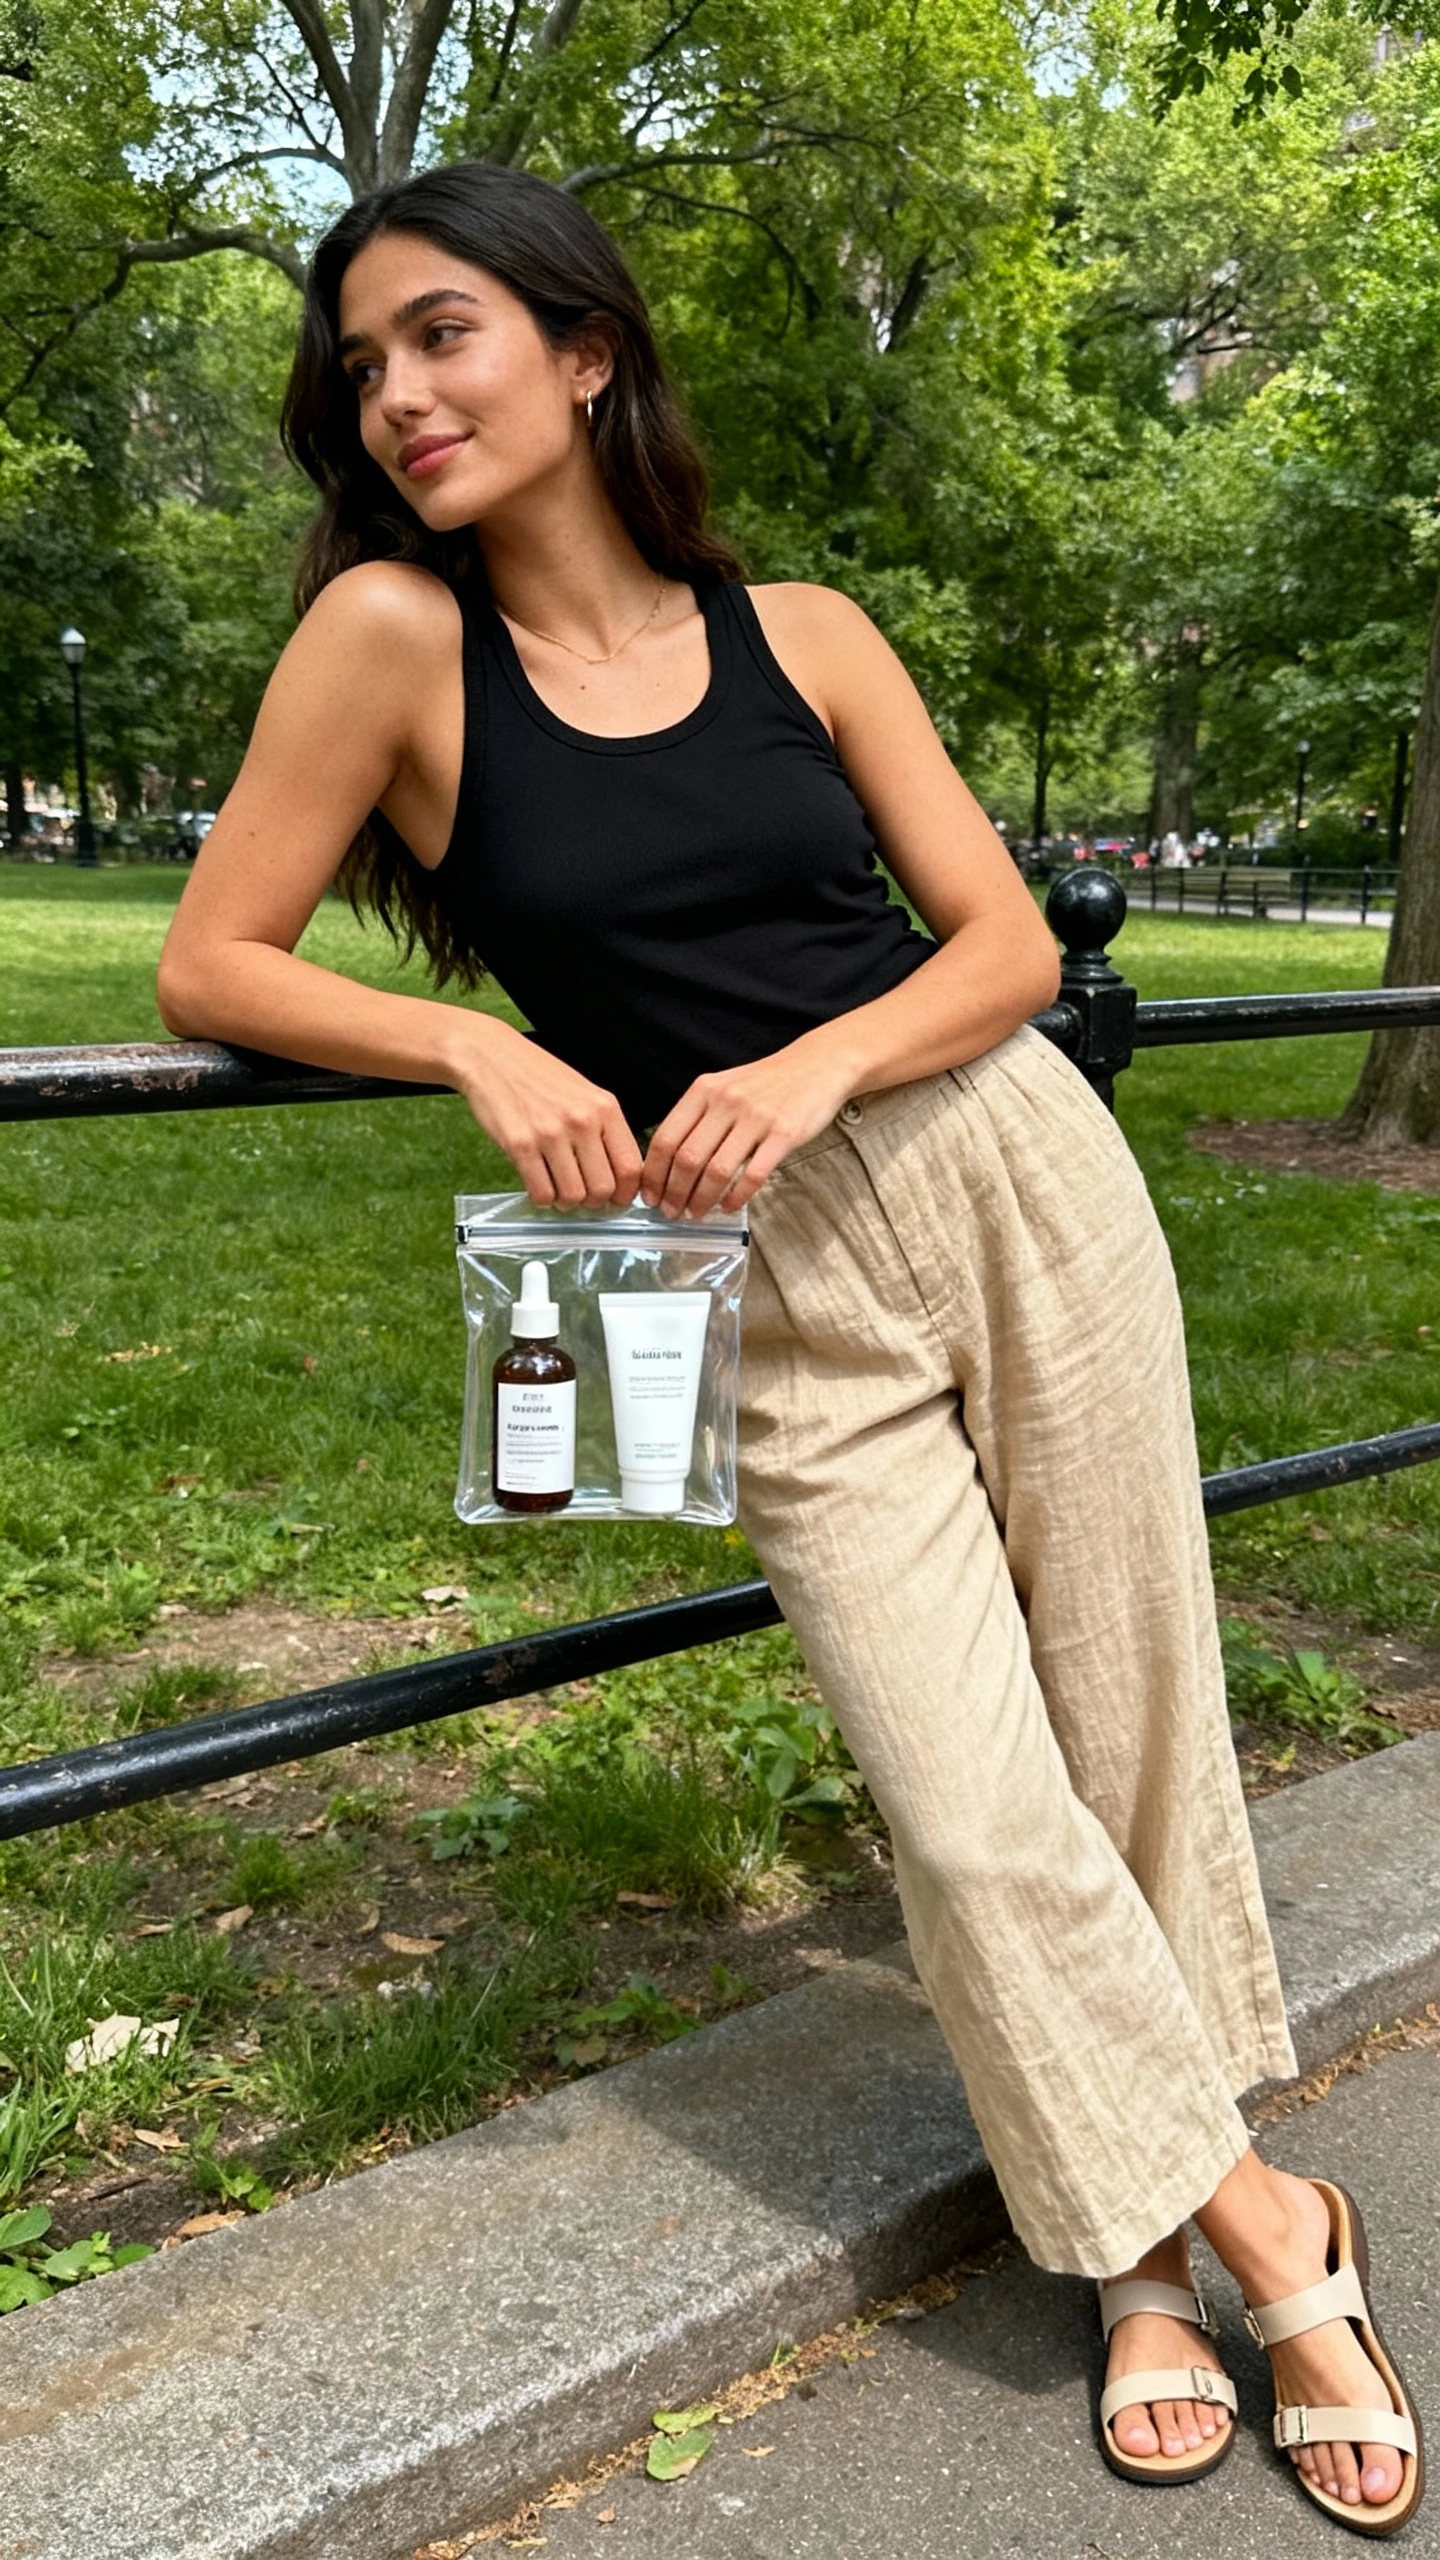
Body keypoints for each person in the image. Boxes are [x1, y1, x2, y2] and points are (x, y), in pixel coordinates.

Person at [156, 162, 1422, 2534]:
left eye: (441, 334)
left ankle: (1139, 2247)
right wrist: (468, 1052)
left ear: (584, 349)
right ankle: (1279, 2223)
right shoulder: (388, 648)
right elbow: (213, 956)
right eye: (361, 367)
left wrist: (830, 1057)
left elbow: (1001, 947)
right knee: (960, 1789)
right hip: (756, 1288)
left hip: (1005, 1172)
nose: (399, 393)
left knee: (1131, 1710)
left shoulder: (807, 632)